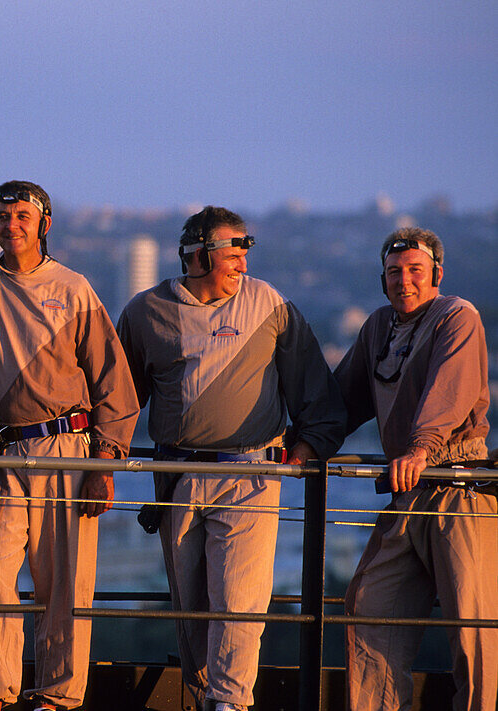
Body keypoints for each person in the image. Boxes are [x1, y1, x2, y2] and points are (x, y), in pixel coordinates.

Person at [0, 181, 139, 711]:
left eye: (21, 215)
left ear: (44, 223)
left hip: (67, 450)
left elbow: (115, 387)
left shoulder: (76, 288)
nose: (11, 225)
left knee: (63, 587)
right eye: (2, 216)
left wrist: (104, 463)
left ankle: (57, 697)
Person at [116, 206, 345, 711]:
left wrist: (303, 451)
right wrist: (103, 459)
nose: (243, 264)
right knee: (192, 607)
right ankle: (206, 700)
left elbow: (315, 389)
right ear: (198, 256)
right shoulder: (144, 311)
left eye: (246, 252)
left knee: (240, 601)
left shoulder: (269, 303)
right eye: (232, 253)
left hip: (251, 473)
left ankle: (231, 703)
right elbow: (117, 398)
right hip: (175, 474)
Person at [334, 227, 496, 711]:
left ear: (437, 275)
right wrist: (298, 443)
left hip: (456, 486)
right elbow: (339, 401)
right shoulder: (378, 327)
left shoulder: (457, 315)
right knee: (369, 607)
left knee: (475, 627)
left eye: (415, 272)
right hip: (409, 492)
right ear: (382, 280)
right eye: (394, 273)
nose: (404, 281)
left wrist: (421, 447)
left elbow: (451, 389)